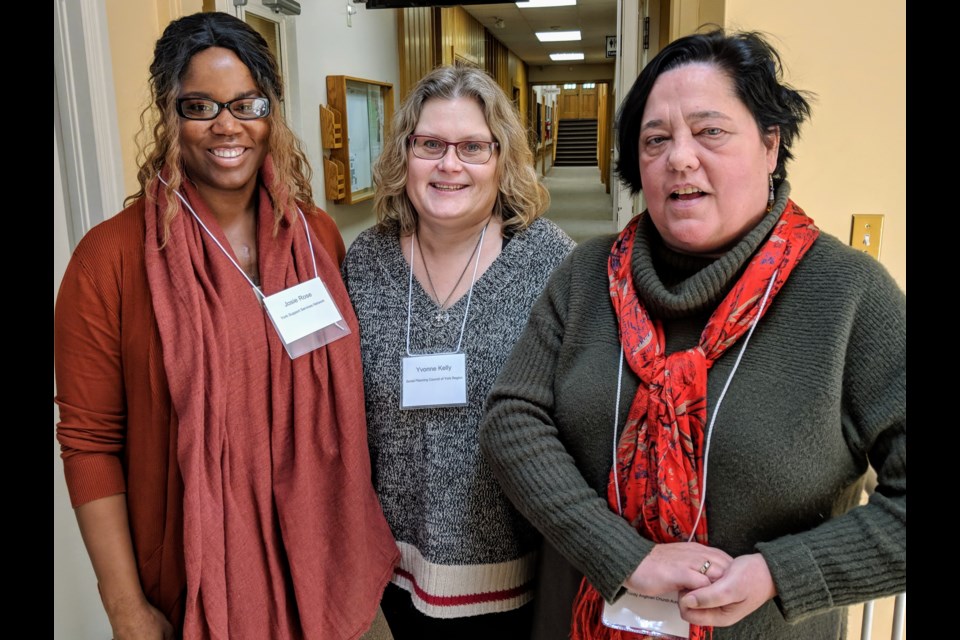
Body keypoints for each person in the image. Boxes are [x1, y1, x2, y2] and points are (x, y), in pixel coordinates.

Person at [480, 28, 905, 640]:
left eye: (710, 132)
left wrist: (781, 573)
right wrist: (625, 556)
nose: (680, 157)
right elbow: (512, 420)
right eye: (656, 140)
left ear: (769, 144)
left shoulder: (849, 295)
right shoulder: (585, 275)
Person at [54, 12, 398, 639]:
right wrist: (125, 606)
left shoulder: (314, 236)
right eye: (200, 106)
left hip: (331, 564)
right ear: (167, 114)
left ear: (272, 111)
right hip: (196, 586)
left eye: (247, 103)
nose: (227, 126)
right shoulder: (110, 262)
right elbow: (90, 443)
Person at [340, 65, 576, 638]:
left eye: (473, 146)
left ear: (502, 157)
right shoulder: (365, 262)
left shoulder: (552, 263)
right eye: (430, 145)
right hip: (395, 570)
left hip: (517, 572)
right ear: (405, 154)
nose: (450, 165)